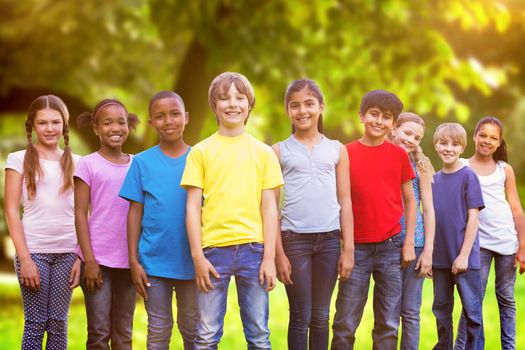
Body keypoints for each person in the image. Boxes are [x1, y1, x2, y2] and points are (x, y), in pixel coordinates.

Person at [181, 72, 283, 349]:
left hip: (254, 251)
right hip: (213, 253)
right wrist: (198, 257)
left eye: (240, 98)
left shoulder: (263, 153)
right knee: (206, 336)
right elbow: (192, 207)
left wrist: (269, 258)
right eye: (224, 98)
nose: (232, 104)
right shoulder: (201, 152)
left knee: (259, 335)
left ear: (249, 105)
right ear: (214, 105)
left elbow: (270, 208)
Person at [331, 90, 417, 350]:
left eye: (386, 117)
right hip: (355, 249)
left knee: (388, 325)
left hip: (391, 247)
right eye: (374, 114)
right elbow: (339, 200)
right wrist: (345, 247)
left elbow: (410, 201)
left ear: (394, 124)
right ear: (362, 116)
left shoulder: (399, 155)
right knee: (345, 323)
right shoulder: (345, 153)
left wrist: (409, 242)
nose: (379, 121)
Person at [272, 79, 354, 350]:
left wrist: (348, 249)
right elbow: (271, 207)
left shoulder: (336, 149)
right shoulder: (278, 150)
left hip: (329, 241)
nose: (302, 110)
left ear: (321, 107)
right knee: (300, 316)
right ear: (287, 111)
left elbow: (345, 199)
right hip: (293, 240)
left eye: (309, 104)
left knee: (321, 316)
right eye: (294, 105)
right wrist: (278, 254)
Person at [119, 91, 198, 350]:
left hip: (193, 263)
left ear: (186, 117)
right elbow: (134, 213)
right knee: (159, 330)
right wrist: (133, 261)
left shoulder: (201, 159)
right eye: (160, 116)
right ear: (151, 123)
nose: (169, 121)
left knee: (194, 330)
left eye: (175, 114)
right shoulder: (142, 162)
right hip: (154, 263)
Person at [4, 94, 81, 349]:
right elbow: (12, 210)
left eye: (56, 122)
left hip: (68, 253)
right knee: (35, 323)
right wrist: (24, 258)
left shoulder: (78, 163)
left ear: (64, 125)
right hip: (34, 252)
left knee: (58, 323)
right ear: (32, 126)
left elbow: (84, 213)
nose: (50, 128)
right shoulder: (18, 159)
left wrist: (81, 256)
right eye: (43, 122)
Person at [455, 116, 525, 350]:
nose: (487, 141)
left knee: (506, 299)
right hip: (477, 243)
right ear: (474, 136)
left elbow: (516, 210)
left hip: (506, 241)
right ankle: (462, 347)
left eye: (493, 138)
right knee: (471, 300)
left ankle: (509, 347)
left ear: (499, 142)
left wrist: (522, 247)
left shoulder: (505, 169)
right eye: (482, 135)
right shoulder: (461, 165)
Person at [74, 99, 139, 349]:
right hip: (97, 262)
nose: (115, 128)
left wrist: (138, 260)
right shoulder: (88, 164)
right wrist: (88, 260)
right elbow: (80, 213)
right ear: (96, 128)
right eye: (107, 122)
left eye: (121, 122)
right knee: (99, 335)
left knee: (124, 335)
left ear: (128, 126)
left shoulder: (137, 164)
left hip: (129, 262)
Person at [431, 123, 485, 350]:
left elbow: (473, 219)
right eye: (443, 143)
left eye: (454, 144)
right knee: (441, 312)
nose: (448, 148)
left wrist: (463, 256)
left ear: (462, 148)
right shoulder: (433, 180)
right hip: (440, 259)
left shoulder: (468, 177)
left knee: (472, 314)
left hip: (465, 259)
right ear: (436, 145)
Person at [390, 112, 435, 350]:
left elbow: (428, 209)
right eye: (407, 133)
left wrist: (428, 251)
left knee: (410, 311)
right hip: (385, 243)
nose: (411, 139)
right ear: (393, 129)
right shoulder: (383, 157)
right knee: (387, 312)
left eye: (417, 137)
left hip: (415, 243)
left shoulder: (421, 166)